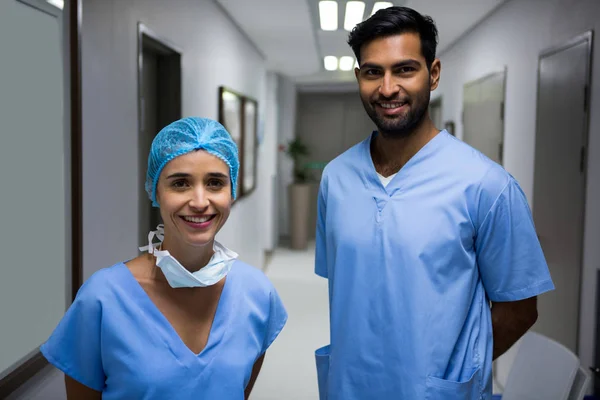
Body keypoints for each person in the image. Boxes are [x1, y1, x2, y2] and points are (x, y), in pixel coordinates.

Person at [314, 6, 554, 400]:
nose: (387, 88)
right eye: (373, 72)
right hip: (348, 387)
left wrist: (457, 377)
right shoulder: (336, 178)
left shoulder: (485, 185)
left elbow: (520, 309)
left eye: (405, 69)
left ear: (434, 74)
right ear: (359, 77)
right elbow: (348, 286)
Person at [41, 117, 287, 399]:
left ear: (231, 191)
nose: (199, 201)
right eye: (180, 183)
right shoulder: (103, 299)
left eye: (215, 183)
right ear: (155, 191)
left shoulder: (256, 293)